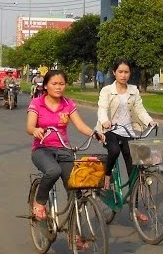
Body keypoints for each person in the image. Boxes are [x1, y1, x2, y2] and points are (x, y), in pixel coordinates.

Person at [26, 69, 104, 220]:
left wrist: (95, 134)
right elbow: (29, 127)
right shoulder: (37, 103)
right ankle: (39, 202)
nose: (58, 87)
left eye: (61, 84)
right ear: (46, 86)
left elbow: (80, 126)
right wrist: (35, 130)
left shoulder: (68, 103)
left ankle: (76, 233)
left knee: (76, 187)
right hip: (42, 149)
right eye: (54, 83)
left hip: (63, 149)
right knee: (53, 171)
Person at [96, 60, 155, 217]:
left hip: (128, 132)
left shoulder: (134, 90)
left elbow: (140, 109)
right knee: (114, 151)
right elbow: (102, 109)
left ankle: (134, 209)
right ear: (114, 72)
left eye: (126, 72)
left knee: (134, 170)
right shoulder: (107, 90)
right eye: (120, 72)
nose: (123, 75)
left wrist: (149, 120)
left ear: (130, 73)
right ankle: (107, 175)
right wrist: (104, 121)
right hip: (110, 130)